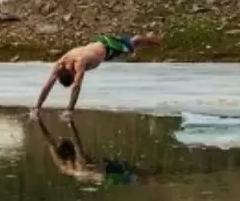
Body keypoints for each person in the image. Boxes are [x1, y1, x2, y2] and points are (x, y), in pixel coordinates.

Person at [31, 32, 162, 118]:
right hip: (99, 47)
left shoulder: (79, 63)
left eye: (73, 76)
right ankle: (145, 39)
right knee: (131, 48)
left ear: (71, 73)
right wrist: (37, 107)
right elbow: (48, 86)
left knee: (133, 45)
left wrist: (69, 110)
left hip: (108, 46)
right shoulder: (59, 65)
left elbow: (77, 87)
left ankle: (144, 38)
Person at [33, 112, 156, 186]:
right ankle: (162, 178)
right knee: (142, 177)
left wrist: (39, 121)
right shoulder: (79, 162)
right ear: (71, 153)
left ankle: (156, 175)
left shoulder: (63, 166)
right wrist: (71, 123)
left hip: (106, 174)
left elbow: (50, 142)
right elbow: (77, 142)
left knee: (139, 173)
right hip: (109, 175)